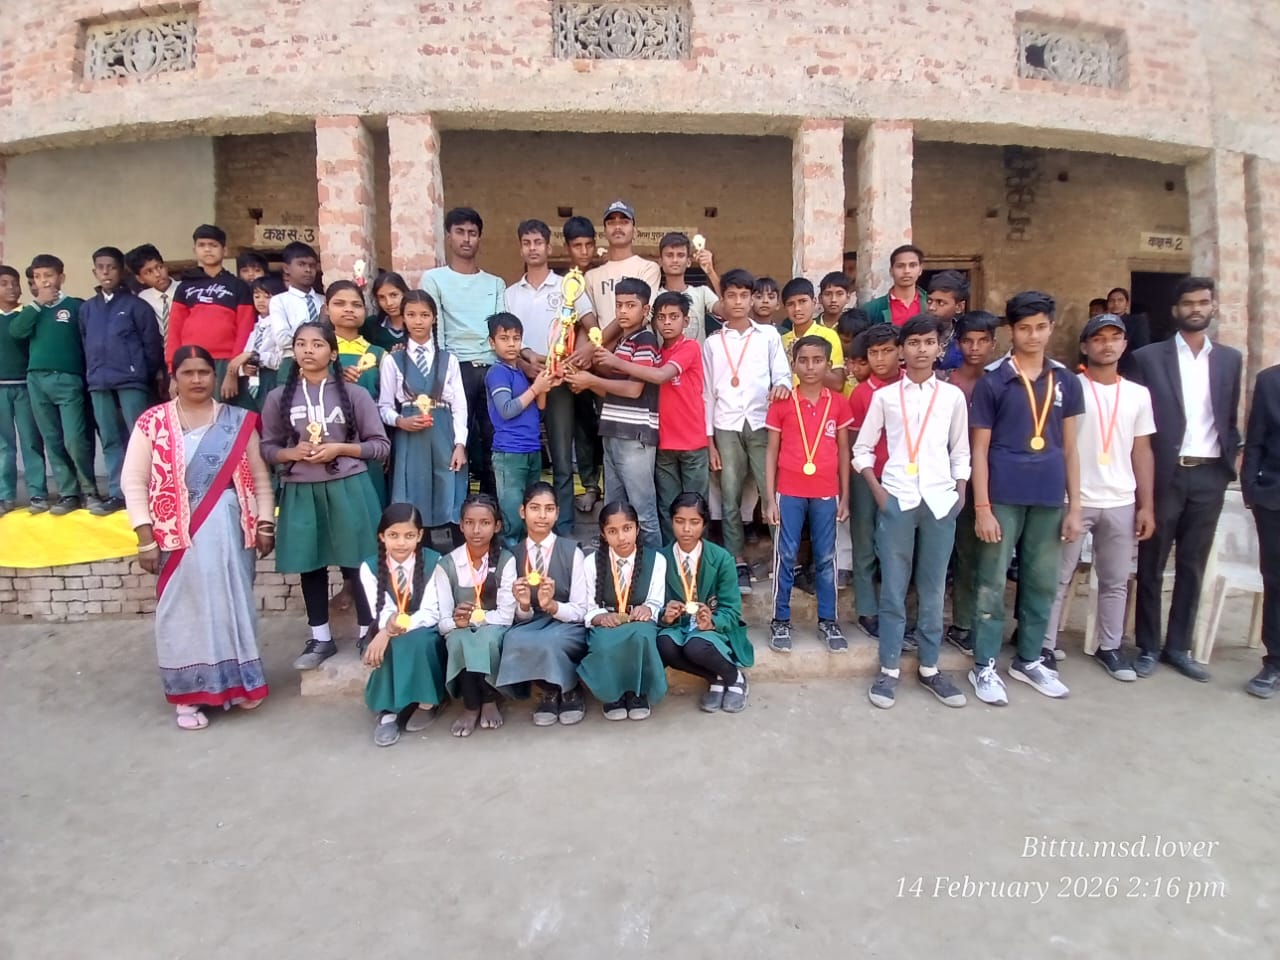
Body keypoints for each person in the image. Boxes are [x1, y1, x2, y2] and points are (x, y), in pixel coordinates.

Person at [121, 345, 275, 730]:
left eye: (203, 372)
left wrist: (264, 523)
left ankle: (238, 683)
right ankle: (189, 696)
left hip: (230, 531)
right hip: (177, 537)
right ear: (174, 378)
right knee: (184, 611)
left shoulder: (237, 421)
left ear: (214, 375)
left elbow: (260, 477)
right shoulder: (153, 423)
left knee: (232, 604)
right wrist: (144, 537)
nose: (196, 380)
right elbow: (134, 481)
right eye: (187, 373)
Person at [968, 291, 1084, 705]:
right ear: (1012, 332)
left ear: (1051, 328)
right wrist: (982, 507)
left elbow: (1070, 448)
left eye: (1040, 327)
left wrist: (1075, 507)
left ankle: (1030, 659)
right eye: (1024, 328)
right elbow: (979, 449)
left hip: (1049, 496)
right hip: (1003, 495)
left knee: (1041, 580)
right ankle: (984, 664)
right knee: (992, 581)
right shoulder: (994, 382)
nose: (1033, 336)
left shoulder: (1065, 381)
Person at [854, 316, 971, 709]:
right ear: (902, 350)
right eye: (914, 342)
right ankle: (888, 669)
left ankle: (930, 667)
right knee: (893, 587)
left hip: (940, 502)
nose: (922, 349)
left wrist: (959, 495)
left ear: (940, 348)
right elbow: (862, 450)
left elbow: (961, 452)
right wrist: (880, 494)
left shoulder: (952, 397)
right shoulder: (886, 398)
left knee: (933, 588)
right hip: (898, 500)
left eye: (929, 342)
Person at [260, 320, 391, 671]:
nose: (308, 350)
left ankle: (366, 630)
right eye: (301, 344)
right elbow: (267, 448)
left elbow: (380, 445)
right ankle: (320, 638)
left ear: (333, 353)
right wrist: (291, 453)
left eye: (317, 344)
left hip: (349, 486)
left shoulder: (354, 395)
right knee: (310, 563)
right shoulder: (278, 397)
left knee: (357, 561)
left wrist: (339, 449)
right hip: (301, 489)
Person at [1130, 276, 1241, 682]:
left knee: (1192, 564)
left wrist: (1231, 460)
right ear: (1176, 310)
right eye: (1189, 303)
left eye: (1204, 302)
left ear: (1213, 307)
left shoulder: (1229, 359)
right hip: (1165, 473)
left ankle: (1178, 647)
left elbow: (1228, 416)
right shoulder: (1147, 358)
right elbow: (1136, 425)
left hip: (1210, 473)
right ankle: (1147, 645)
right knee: (1152, 561)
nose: (1197, 309)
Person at [1043, 314, 1156, 681]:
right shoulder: (1069, 387)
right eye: (1098, 338)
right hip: (1074, 497)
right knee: (1058, 577)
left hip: (1121, 498)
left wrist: (1146, 505)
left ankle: (1110, 646)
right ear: (1085, 345)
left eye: (1114, 338)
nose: (1107, 345)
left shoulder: (1138, 395)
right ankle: (1045, 645)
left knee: (1114, 579)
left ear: (1124, 344)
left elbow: (1142, 451)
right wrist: (1068, 499)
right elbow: (1061, 445)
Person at [594, 289, 709, 544]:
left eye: (674, 317)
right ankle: (669, 558)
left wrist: (615, 362)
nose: (667, 323)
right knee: (667, 509)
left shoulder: (689, 347)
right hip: (664, 442)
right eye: (662, 317)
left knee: (696, 509)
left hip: (692, 442)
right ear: (653, 319)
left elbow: (659, 376)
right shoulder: (655, 349)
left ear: (686, 321)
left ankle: (697, 560)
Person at [704, 269, 792, 592]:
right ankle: (735, 559)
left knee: (771, 491)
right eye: (732, 296)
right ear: (723, 300)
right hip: (725, 424)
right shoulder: (713, 343)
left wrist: (781, 386)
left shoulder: (768, 336)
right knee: (730, 493)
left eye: (744, 295)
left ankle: (784, 556)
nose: (738, 302)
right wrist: (709, 441)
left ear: (752, 299)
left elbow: (782, 374)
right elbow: (707, 393)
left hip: (761, 421)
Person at [505, 219, 595, 533]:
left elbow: (590, 324)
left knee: (561, 457)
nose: (532, 248)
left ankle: (564, 528)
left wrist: (576, 356)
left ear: (549, 246)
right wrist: (524, 363)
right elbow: (505, 340)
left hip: (559, 381)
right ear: (520, 248)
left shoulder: (568, 285)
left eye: (538, 242)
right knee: (525, 456)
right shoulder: (509, 294)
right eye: (526, 243)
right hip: (522, 381)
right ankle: (525, 528)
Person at [765, 335, 852, 653]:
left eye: (817, 360)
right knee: (785, 555)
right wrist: (769, 498)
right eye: (803, 360)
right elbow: (771, 452)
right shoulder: (782, 402)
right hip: (788, 491)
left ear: (828, 364)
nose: (810, 367)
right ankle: (780, 620)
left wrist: (845, 496)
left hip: (827, 491)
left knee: (827, 556)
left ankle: (828, 620)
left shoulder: (838, 402)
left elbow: (844, 451)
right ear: (794, 364)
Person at [564, 278, 662, 548]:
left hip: (635, 436)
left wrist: (591, 380)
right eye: (619, 305)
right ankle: (610, 560)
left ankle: (655, 565)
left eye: (631, 305)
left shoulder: (645, 340)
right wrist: (584, 380)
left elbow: (634, 390)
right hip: (613, 432)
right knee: (614, 508)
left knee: (643, 512)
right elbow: (614, 392)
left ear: (646, 310)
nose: (623, 311)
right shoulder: (623, 341)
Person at [421, 207, 507, 497]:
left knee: (495, 441)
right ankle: (458, 507)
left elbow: (500, 329)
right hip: (455, 368)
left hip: (492, 368)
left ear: (480, 238)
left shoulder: (495, 283)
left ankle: (491, 505)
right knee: (456, 440)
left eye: (472, 233)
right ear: (448, 236)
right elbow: (436, 329)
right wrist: (440, 373)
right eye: (460, 232)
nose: (466, 239)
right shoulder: (434, 279)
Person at [494, 482, 590, 726]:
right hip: (530, 623)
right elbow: (516, 616)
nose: (542, 515)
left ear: (557, 513)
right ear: (522, 511)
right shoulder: (512, 555)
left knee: (552, 640)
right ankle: (548, 689)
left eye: (549, 509)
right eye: (535, 508)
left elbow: (581, 610)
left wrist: (553, 606)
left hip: (566, 623)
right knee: (513, 639)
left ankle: (569, 689)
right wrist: (525, 606)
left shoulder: (572, 552)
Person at [79, 246, 165, 515]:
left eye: (112, 267)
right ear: (94, 271)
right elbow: (84, 342)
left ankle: (148, 491)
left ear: (121, 271)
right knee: (110, 438)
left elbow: (152, 346)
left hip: (132, 381)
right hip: (99, 381)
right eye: (100, 267)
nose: (106, 272)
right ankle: (118, 493)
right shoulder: (87, 309)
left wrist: (141, 373)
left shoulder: (137, 306)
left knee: (140, 438)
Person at [10, 254, 97, 514]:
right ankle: (68, 493)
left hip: (68, 377)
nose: (44, 282)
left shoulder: (75, 306)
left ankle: (89, 490)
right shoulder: (32, 310)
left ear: (61, 277)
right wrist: (38, 304)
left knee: (74, 438)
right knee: (52, 439)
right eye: (38, 277)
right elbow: (16, 331)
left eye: (48, 275)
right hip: (36, 379)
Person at [358, 502, 449, 747]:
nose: (401, 543)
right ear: (382, 536)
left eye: (409, 536)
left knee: (417, 641)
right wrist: (386, 631)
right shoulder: (369, 568)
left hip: (425, 629)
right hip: (388, 625)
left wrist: (390, 631)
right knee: (390, 644)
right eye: (393, 535)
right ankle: (389, 709)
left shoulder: (435, 562)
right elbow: (382, 611)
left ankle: (427, 701)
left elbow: (431, 612)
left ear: (419, 535)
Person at [376, 291, 468, 534]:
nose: (418, 321)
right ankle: (413, 543)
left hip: (443, 431)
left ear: (434, 318)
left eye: (425, 315)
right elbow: (384, 406)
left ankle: (447, 547)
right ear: (403, 318)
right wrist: (400, 421)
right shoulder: (393, 360)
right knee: (411, 489)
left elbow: (459, 406)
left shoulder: (449, 360)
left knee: (447, 485)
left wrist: (460, 444)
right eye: (411, 315)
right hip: (409, 435)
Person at [657, 492, 753, 713]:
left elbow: (732, 610)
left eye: (694, 522)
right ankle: (715, 677)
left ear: (704, 524)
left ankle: (735, 677)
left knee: (696, 646)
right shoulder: (661, 559)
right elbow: (655, 604)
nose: (686, 529)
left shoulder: (721, 559)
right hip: (678, 627)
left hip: (712, 631)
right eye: (680, 521)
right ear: (671, 522)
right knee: (664, 644)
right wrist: (665, 615)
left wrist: (712, 622)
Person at [578, 501, 670, 720]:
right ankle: (613, 694)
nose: (621, 537)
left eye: (627, 528)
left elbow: (656, 601)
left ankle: (638, 692)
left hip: (639, 621)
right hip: (607, 621)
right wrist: (600, 617)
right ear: (603, 534)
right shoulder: (591, 562)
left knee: (642, 636)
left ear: (637, 529)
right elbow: (589, 606)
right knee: (603, 643)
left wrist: (647, 608)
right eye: (613, 531)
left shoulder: (656, 560)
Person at [434, 493, 516, 736]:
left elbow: (505, 616)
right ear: (460, 525)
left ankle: (489, 699)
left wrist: (473, 620)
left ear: (497, 526)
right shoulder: (446, 564)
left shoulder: (506, 560)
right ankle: (471, 705)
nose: (476, 530)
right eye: (469, 522)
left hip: (494, 627)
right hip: (459, 629)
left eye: (485, 523)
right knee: (459, 640)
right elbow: (443, 622)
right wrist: (457, 623)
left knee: (485, 639)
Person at [943, 310, 998, 653]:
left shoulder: (1001, 382)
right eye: (967, 341)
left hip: (992, 477)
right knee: (961, 553)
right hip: (949, 478)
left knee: (987, 555)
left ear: (993, 344)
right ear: (958, 344)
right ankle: (961, 624)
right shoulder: (945, 383)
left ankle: (984, 623)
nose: (974, 348)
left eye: (982, 341)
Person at [846, 324, 902, 638]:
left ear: (900, 352)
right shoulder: (862, 393)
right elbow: (854, 444)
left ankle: (896, 608)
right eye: (873, 353)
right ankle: (867, 609)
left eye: (887, 351)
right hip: (865, 476)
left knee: (897, 545)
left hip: (902, 475)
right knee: (865, 541)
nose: (880, 359)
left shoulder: (911, 388)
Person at [167, 225, 256, 411]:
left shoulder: (238, 286)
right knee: (194, 412)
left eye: (213, 245)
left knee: (225, 413)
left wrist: (233, 370)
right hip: (190, 359)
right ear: (195, 250)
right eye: (202, 245)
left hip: (225, 361)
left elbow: (245, 329)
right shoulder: (185, 287)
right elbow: (174, 330)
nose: (207, 249)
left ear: (225, 250)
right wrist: (173, 371)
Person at [486, 311, 556, 545]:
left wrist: (544, 385)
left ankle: (528, 561)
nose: (511, 344)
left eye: (516, 338)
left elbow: (540, 410)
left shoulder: (521, 372)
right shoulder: (497, 372)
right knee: (513, 520)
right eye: (504, 338)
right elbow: (507, 409)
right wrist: (536, 388)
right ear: (492, 343)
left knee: (530, 514)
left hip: (531, 449)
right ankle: (509, 562)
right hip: (509, 453)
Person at [328, 280, 388, 505]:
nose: (348, 310)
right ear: (326, 309)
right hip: (328, 438)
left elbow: (387, 402)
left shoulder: (378, 354)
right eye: (339, 303)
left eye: (356, 304)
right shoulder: (316, 353)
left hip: (369, 439)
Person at [561, 215, 606, 514]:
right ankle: (590, 486)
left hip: (606, 360)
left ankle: (612, 485)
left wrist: (592, 347)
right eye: (578, 245)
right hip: (573, 365)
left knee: (608, 425)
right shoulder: (564, 282)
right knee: (582, 427)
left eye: (589, 244)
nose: (584, 251)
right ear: (567, 248)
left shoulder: (603, 276)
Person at [1242, 364, 1280, 698]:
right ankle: (1274, 662)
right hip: (1274, 498)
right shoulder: (1270, 381)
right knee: (1276, 581)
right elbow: (1255, 439)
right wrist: (1251, 491)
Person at [0, 264, 47, 515]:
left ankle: (38, 493)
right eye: (4, 284)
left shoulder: (29, 314)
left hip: (26, 386)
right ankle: (5, 495)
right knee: (4, 445)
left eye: (15, 283)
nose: (11, 288)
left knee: (31, 441)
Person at [583, 200, 661, 332]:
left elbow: (643, 317)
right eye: (611, 223)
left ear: (635, 231)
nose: (618, 227)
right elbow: (590, 322)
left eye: (624, 222)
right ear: (604, 232)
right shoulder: (591, 276)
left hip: (636, 344)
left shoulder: (648, 268)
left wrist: (602, 342)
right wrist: (597, 343)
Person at [267, 241, 324, 383]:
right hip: (291, 363)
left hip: (323, 362)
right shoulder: (279, 301)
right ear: (286, 268)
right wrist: (319, 328)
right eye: (301, 264)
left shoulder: (324, 300)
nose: (308, 270)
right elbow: (282, 339)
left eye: (312, 265)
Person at [223, 277, 283, 410]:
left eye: (267, 297)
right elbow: (246, 354)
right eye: (257, 296)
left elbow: (279, 360)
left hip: (270, 379)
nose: (261, 301)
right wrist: (244, 368)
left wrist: (252, 355)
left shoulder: (280, 326)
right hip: (251, 380)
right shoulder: (256, 327)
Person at [781, 278, 845, 392]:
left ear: (814, 302)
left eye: (802, 301)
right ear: (785, 308)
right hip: (790, 401)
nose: (797, 309)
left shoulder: (828, 336)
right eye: (791, 304)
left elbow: (837, 384)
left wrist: (806, 359)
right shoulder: (781, 340)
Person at [657, 232, 720, 342]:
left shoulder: (702, 292)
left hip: (696, 354)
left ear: (688, 262)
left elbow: (727, 310)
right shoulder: (654, 295)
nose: (675, 260)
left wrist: (710, 271)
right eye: (669, 255)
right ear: (660, 261)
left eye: (680, 255)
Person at [126, 243, 180, 342]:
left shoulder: (186, 289)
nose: (157, 274)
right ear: (140, 279)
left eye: (159, 267)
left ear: (166, 266)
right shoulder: (143, 299)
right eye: (148, 272)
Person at [863, 244, 926, 326]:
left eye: (912, 265)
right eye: (900, 266)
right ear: (891, 271)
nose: (906, 271)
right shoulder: (872, 309)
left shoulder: (931, 304)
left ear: (920, 270)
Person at [925, 270, 968, 371]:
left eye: (940, 302)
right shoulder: (914, 335)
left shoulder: (966, 339)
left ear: (959, 307)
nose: (931, 307)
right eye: (929, 301)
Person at [1106, 286, 1151, 376]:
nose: (1116, 303)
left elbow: (1141, 346)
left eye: (1120, 300)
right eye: (1112, 300)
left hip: (1128, 370)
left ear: (1126, 304)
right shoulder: (1103, 323)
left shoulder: (1137, 322)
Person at [362, 272, 411, 351]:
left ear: (404, 293)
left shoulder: (418, 324)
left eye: (393, 295)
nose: (389, 303)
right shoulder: (370, 325)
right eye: (382, 297)